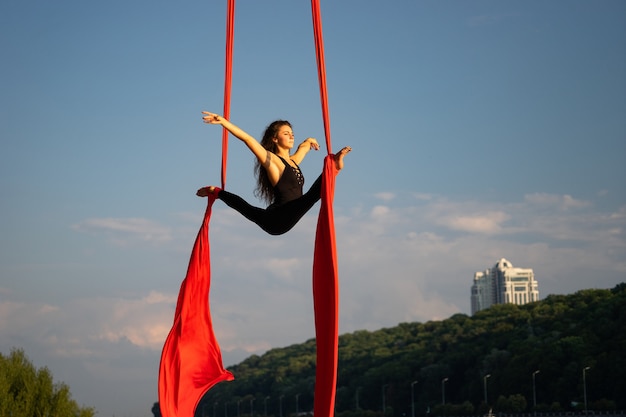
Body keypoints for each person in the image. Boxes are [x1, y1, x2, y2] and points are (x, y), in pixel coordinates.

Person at [196, 111, 351, 235]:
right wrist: (224, 122)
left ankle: (217, 192)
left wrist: (309, 140)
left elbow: (303, 148)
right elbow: (248, 140)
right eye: (286, 133)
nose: (291, 136)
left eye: (292, 133)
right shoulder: (272, 162)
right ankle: (334, 167)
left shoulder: (293, 161)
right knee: (311, 197)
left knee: (251, 210)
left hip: (281, 214)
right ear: (275, 139)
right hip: (277, 219)